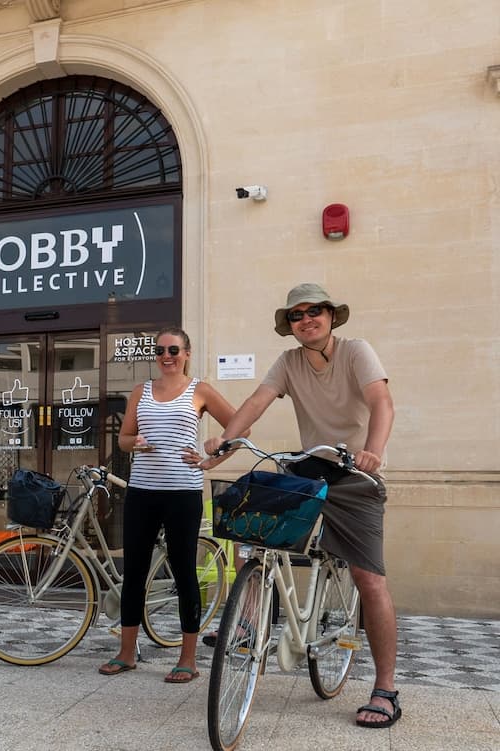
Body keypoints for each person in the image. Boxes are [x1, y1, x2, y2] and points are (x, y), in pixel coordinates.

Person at [203, 282, 399, 729]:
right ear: (289, 324)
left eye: (315, 311)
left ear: (331, 316)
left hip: (356, 474)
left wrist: (373, 451)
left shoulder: (356, 351)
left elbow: (381, 401)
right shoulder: (289, 362)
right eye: (297, 315)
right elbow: (256, 402)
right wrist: (226, 443)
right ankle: (248, 622)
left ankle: (386, 689)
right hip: (310, 466)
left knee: (370, 579)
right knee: (248, 526)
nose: (306, 319)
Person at [98, 326, 238, 683]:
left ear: (187, 353)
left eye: (173, 350)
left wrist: (211, 460)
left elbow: (240, 429)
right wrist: (135, 443)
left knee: (183, 572)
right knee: (134, 573)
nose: (166, 356)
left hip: (183, 494)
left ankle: (187, 659)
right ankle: (126, 653)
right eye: (160, 350)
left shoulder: (200, 390)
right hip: (142, 492)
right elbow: (124, 439)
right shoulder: (140, 391)